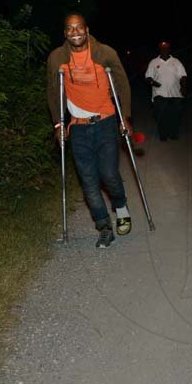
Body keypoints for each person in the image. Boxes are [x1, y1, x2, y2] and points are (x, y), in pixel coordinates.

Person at [47, 13, 133, 248]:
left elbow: (122, 83)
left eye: (79, 28)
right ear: (65, 33)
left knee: (109, 174)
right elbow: (53, 92)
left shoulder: (105, 53)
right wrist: (58, 123)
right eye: (70, 29)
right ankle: (104, 227)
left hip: (105, 122)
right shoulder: (57, 58)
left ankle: (121, 206)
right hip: (78, 129)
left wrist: (124, 117)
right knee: (88, 182)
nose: (75, 32)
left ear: (86, 29)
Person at [145, 41, 187, 141]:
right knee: (161, 116)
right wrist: (153, 82)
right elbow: (147, 77)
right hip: (159, 93)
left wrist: (184, 87)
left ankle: (173, 134)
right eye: (162, 48)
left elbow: (183, 76)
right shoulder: (154, 62)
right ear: (159, 49)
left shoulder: (176, 61)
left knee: (175, 115)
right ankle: (163, 135)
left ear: (169, 49)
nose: (164, 50)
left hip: (175, 94)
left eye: (166, 48)